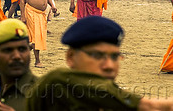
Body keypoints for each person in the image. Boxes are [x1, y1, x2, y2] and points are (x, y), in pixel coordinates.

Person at [26, 16, 173, 110]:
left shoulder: (111, 98)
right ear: (70, 57)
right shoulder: (56, 83)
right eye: (97, 55)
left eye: (115, 57)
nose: (109, 65)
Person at [19, 0, 57, 68]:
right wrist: (22, 15)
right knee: (36, 37)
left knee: (40, 36)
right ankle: (37, 61)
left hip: (42, 13)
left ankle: (25, 50)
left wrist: (53, 5)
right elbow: (22, 0)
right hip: (31, 11)